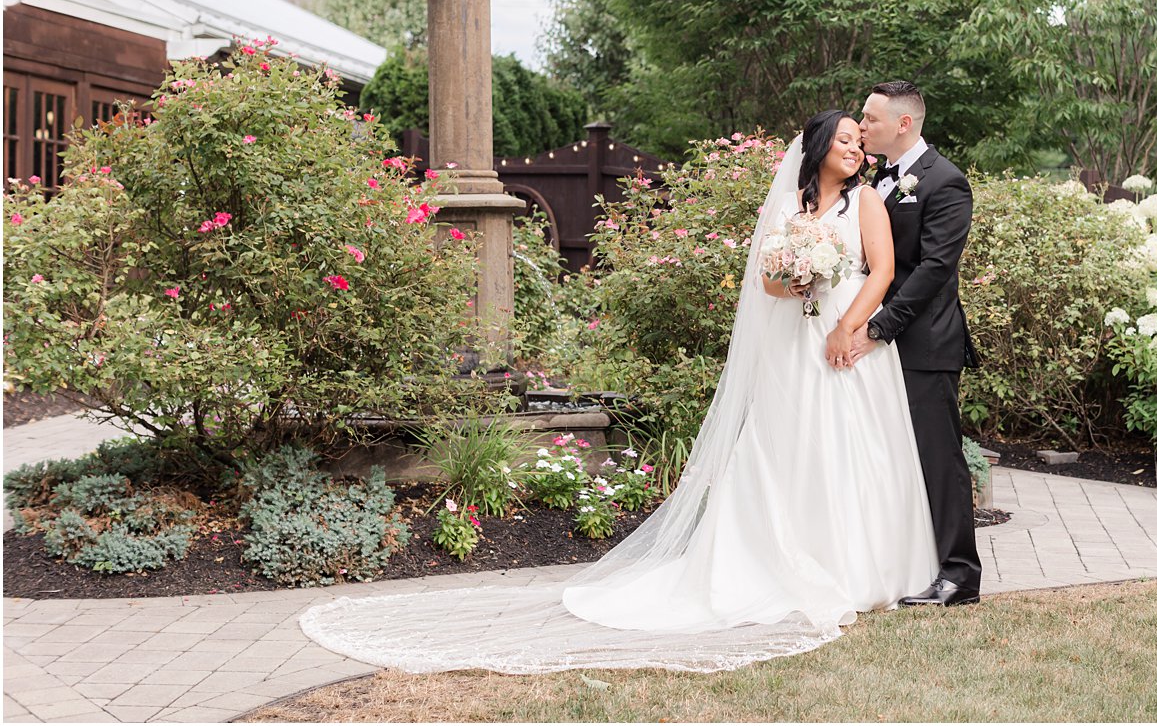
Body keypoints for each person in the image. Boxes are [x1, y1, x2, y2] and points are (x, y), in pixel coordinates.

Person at [299, 110, 938, 674]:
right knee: (788, 448)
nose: (857, 149)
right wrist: (795, 283)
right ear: (820, 145)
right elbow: (767, 285)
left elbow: (881, 271)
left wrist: (848, 329)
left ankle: (857, 567)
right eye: (847, 140)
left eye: (861, 142)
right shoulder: (794, 212)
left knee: (848, 449)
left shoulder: (867, 205)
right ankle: (779, 559)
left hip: (844, 341)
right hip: (792, 345)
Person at [841, 80, 982, 607]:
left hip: (924, 342)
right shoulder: (879, 178)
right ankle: (908, 563)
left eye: (871, 119)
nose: (862, 126)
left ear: (904, 124)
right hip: (880, 341)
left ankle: (960, 575)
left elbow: (935, 270)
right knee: (892, 456)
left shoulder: (945, 182)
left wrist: (879, 328)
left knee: (938, 457)